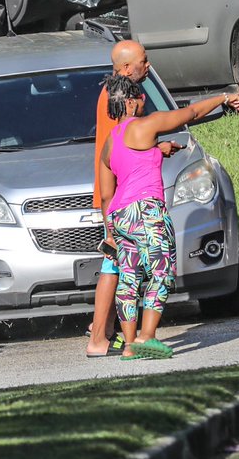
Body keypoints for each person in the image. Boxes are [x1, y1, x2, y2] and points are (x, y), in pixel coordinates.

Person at [98, 76, 239, 359]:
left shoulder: (110, 142)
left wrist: (110, 231)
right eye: (140, 98)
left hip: (119, 216)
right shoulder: (144, 125)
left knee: (129, 278)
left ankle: (130, 345)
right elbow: (189, 114)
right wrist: (223, 98)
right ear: (129, 102)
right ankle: (148, 336)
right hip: (146, 210)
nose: (144, 102)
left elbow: (107, 195)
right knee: (161, 272)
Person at [86, 40, 177, 357]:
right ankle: (99, 336)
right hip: (121, 196)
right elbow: (123, 145)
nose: (148, 65)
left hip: (117, 194)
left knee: (120, 267)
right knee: (116, 266)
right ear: (126, 68)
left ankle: (108, 333)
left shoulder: (116, 92)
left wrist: (156, 150)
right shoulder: (119, 97)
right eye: (143, 61)